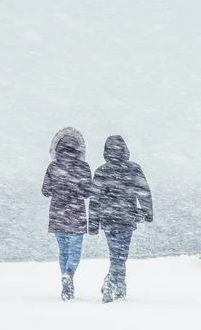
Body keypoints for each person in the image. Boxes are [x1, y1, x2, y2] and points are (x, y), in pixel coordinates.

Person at [89, 135, 153, 303]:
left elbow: (94, 200)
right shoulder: (133, 169)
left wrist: (94, 224)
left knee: (116, 254)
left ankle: (120, 285)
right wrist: (148, 212)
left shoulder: (101, 171)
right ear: (125, 150)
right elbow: (144, 192)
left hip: (108, 219)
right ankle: (110, 282)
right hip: (126, 219)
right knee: (120, 255)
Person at [42, 127, 92, 301]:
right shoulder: (83, 167)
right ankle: (69, 274)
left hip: (58, 215)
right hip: (76, 215)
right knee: (74, 251)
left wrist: (59, 186)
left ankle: (66, 282)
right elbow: (87, 192)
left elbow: (45, 191)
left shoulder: (53, 167)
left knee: (63, 250)